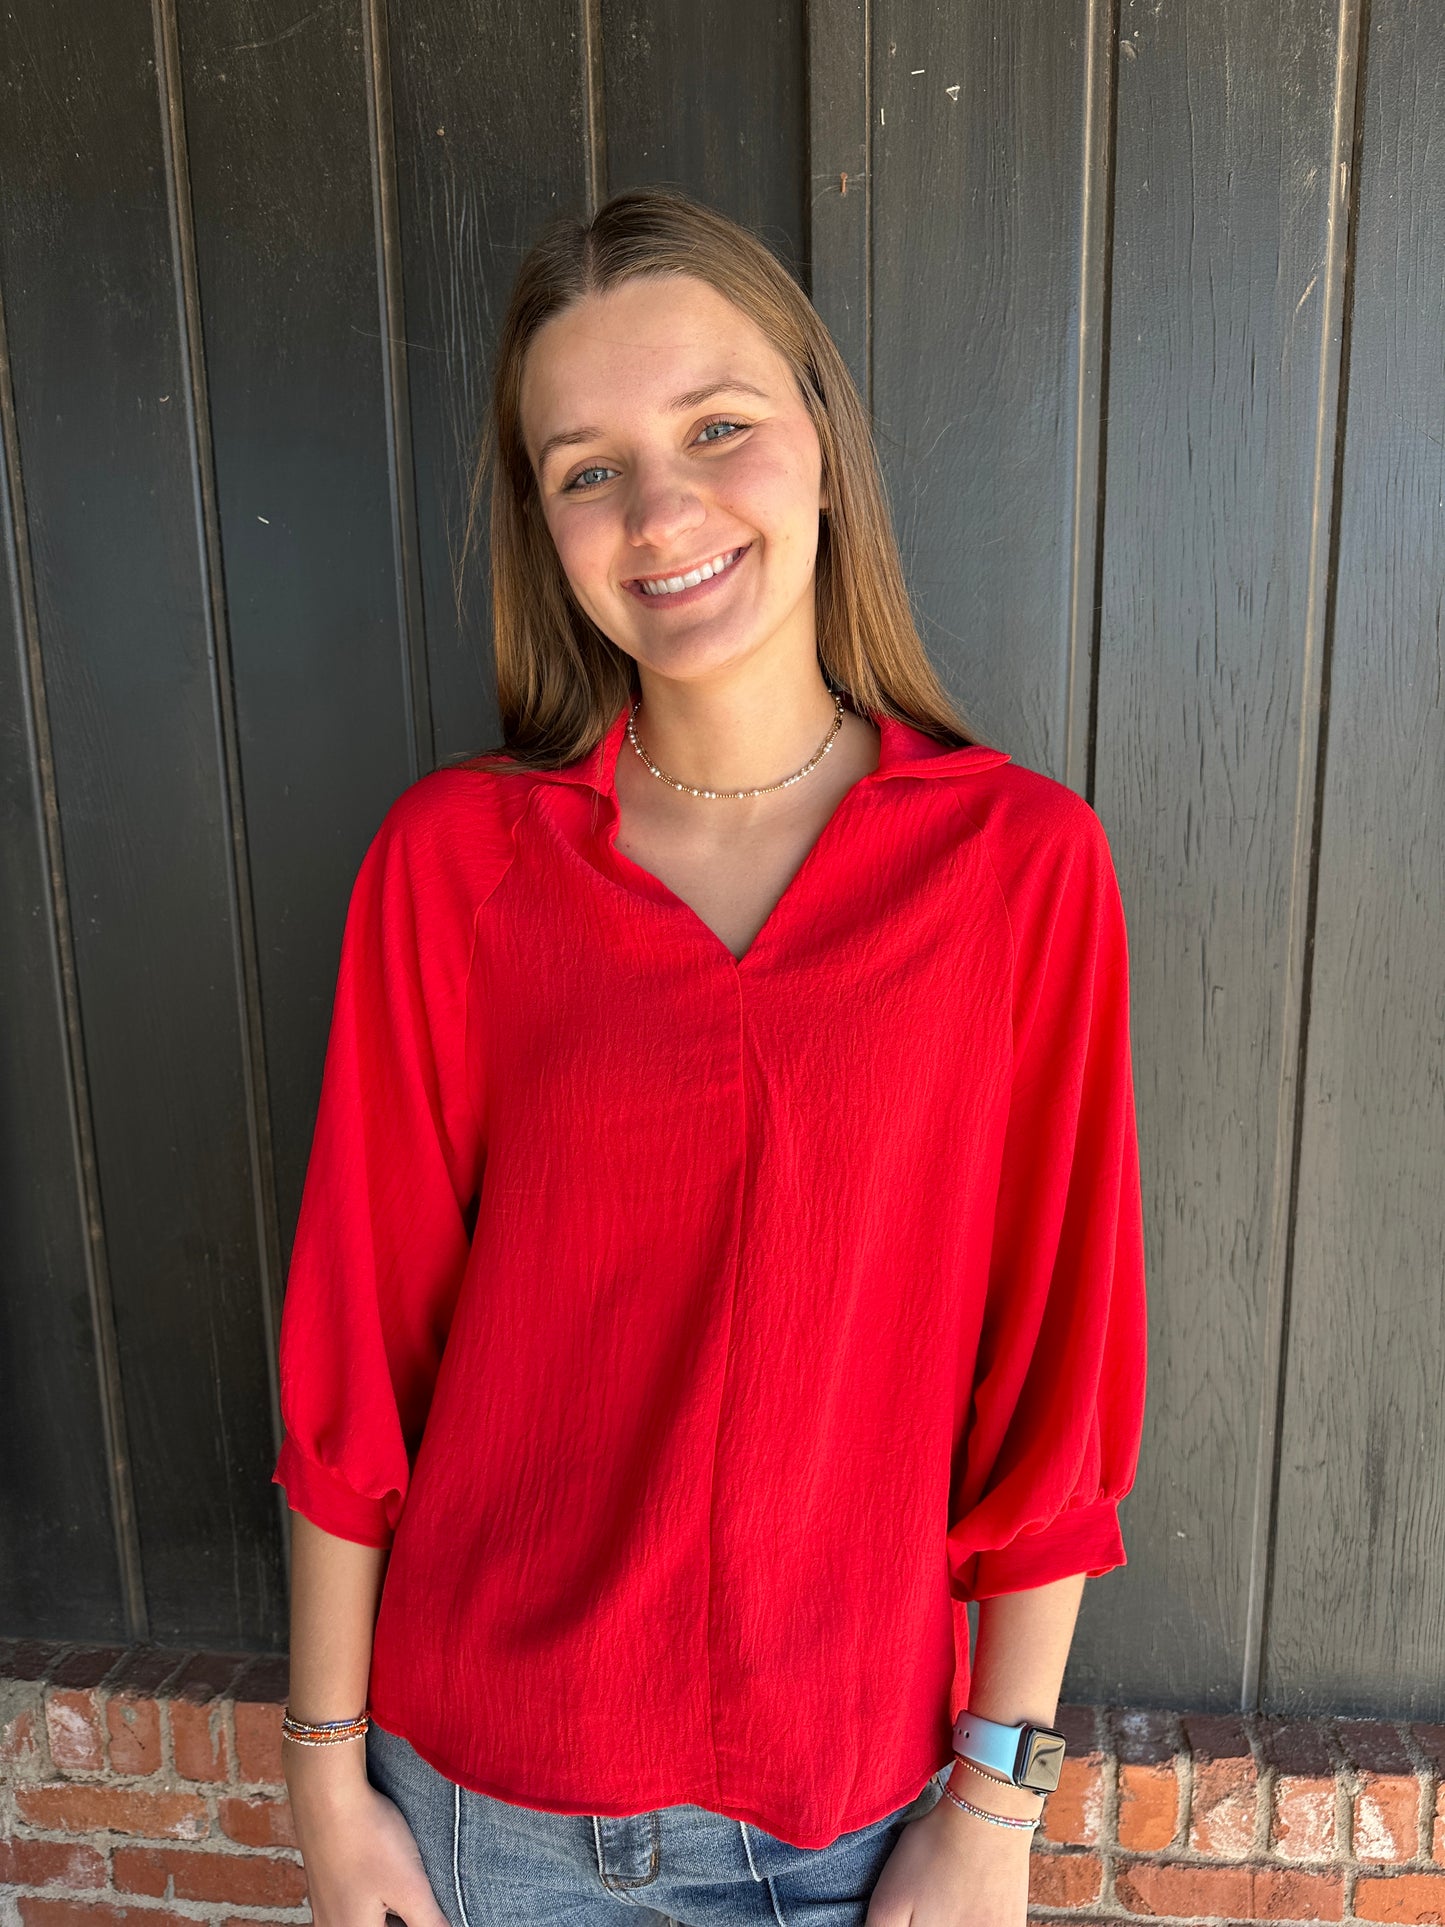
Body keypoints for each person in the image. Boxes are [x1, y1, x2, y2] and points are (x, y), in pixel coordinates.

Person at [270, 185, 1148, 1927]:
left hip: (852, 1824)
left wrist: (996, 1810)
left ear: (819, 431)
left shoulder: (1018, 872)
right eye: (585, 466)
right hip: (473, 1810)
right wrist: (321, 1776)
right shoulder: (455, 868)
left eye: (717, 428)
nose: (660, 509)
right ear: (544, 520)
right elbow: (356, 1365)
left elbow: (1057, 1378)